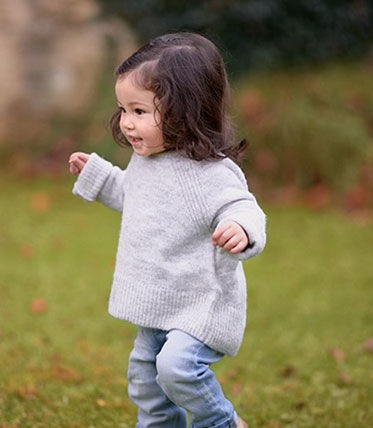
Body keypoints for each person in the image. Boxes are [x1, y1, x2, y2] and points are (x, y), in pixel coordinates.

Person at [68, 32, 266, 428]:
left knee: (177, 369)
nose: (126, 123)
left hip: (200, 303)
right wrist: (100, 176)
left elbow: (244, 207)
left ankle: (223, 424)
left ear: (184, 111)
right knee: (146, 381)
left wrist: (240, 227)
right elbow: (134, 196)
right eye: (123, 109)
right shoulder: (147, 163)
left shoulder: (211, 173)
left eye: (139, 111)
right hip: (159, 302)